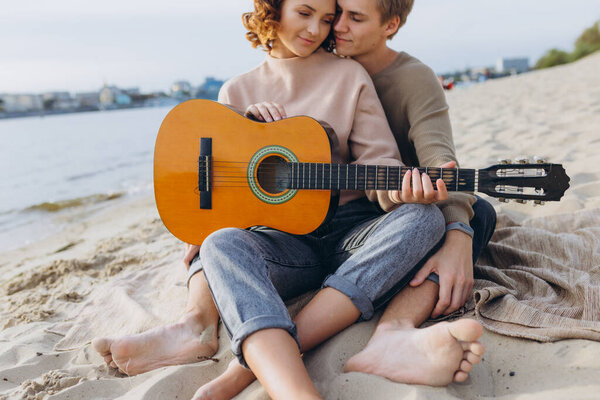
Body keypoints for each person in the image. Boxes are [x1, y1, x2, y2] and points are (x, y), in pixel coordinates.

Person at [92, 0, 487, 398]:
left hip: (351, 231)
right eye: (304, 13)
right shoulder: (237, 89)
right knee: (219, 243)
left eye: (327, 18)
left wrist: (396, 191)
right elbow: (219, 177)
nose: (316, 29)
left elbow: (379, 160)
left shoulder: (349, 75)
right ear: (273, 11)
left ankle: (255, 364)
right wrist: (211, 213)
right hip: (284, 244)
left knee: (424, 219)